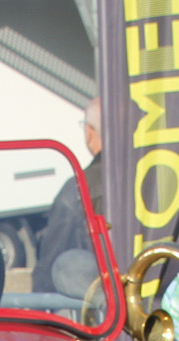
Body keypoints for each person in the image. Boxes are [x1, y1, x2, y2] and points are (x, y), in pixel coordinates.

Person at [32, 98, 104, 294]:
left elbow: (51, 270)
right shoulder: (155, 175)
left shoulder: (76, 191)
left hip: (103, 314)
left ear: (90, 133)